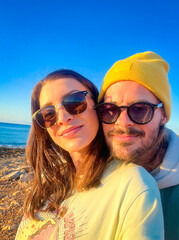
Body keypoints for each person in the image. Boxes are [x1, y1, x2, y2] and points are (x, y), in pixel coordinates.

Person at [15, 69, 164, 240]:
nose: (62, 118)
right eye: (49, 114)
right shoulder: (52, 179)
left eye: (75, 102)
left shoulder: (134, 185)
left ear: (98, 107)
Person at [95, 51, 179, 240]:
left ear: (163, 116)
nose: (123, 123)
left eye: (140, 109)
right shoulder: (91, 172)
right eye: (110, 110)